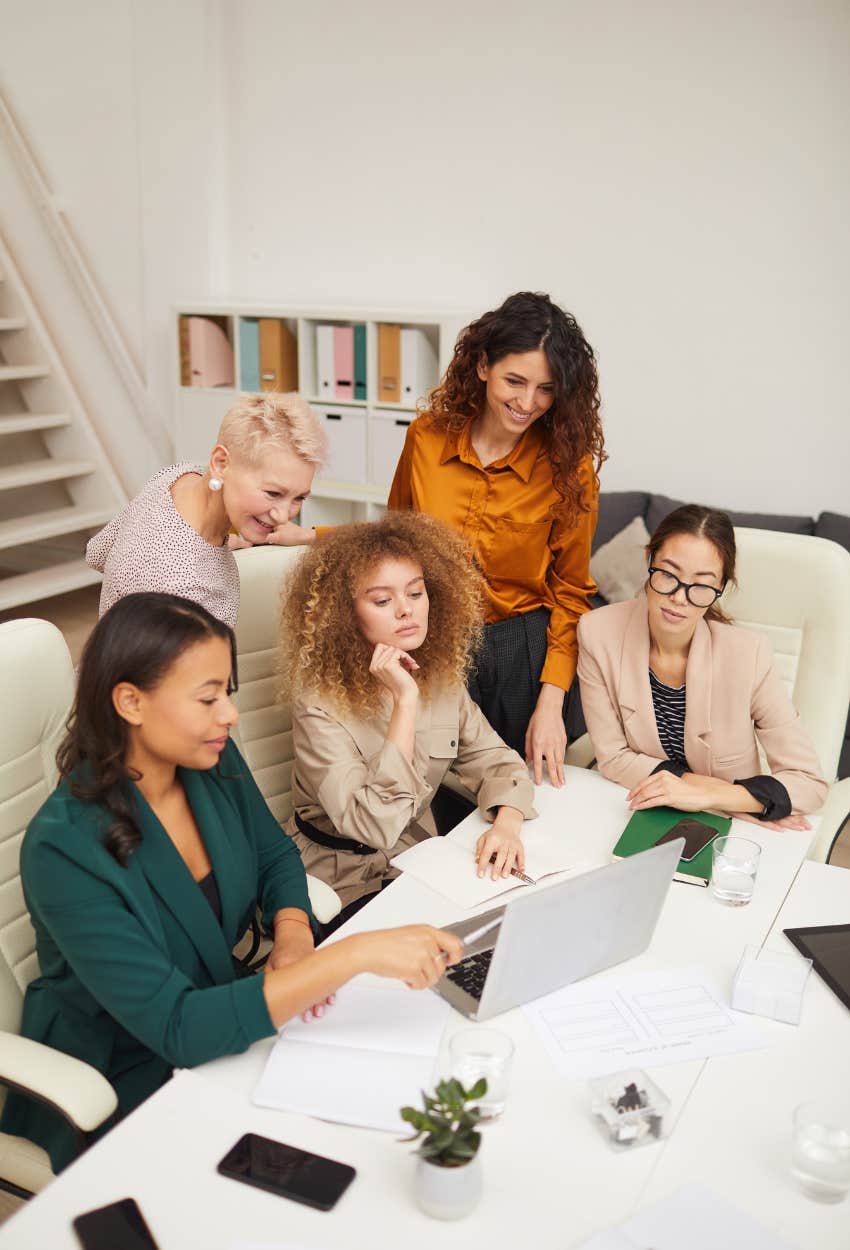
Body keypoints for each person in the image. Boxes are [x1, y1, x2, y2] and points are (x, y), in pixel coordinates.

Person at [0, 593, 462, 1173]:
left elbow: (273, 855)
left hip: (222, 1007)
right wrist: (354, 954)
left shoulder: (207, 760)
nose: (230, 715)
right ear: (130, 702)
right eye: (208, 697)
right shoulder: (62, 848)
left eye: (228, 692)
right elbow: (176, 1027)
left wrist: (294, 937)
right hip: (123, 1067)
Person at [387, 291, 606, 786]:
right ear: (483, 365)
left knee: (517, 803)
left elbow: (571, 594)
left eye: (546, 389)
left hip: (520, 654)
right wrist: (309, 535)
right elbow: (396, 543)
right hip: (432, 642)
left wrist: (552, 701)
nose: (528, 403)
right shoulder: (425, 437)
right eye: (515, 381)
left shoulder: (569, 469)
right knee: (431, 802)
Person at [279, 512, 538, 928]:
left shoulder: (439, 676)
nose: (405, 610)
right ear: (345, 615)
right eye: (383, 601)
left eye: (416, 593)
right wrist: (405, 701)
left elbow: (497, 762)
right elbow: (373, 826)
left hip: (416, 859)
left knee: (510, 927)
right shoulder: (318, 704)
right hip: (338, 880)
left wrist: (506, 825)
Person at [576, 505, 827, 825]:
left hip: (730, 820)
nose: (680, 598)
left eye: (702, 585)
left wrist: (712, 797)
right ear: (649, 562)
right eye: (668, 574)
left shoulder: (749, 655)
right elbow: (613, 758)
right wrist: (708, 790)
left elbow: (810, 782)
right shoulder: (597, 631)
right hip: (637, 803)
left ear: (721, 588)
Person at [86, 392, 327, 628]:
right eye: (273, 494)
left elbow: (96, 553)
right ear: (221, 463)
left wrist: (218, 544)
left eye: (299, 498)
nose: (283, 516)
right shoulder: (182, 586)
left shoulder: (177, 476)